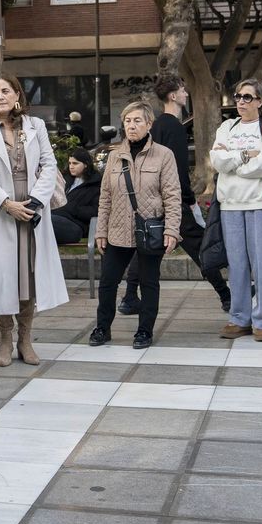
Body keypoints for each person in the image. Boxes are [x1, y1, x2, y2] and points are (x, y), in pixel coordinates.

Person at [0, 74, 70, 366]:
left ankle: (25, 339)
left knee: (30, 277)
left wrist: (35, 201)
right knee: (5, 276)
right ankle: (5, 338)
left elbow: (49, 163)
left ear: (17, 96)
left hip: (33, 209)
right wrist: (6, 204)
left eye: (5, 91)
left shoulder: (35, 126)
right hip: (1, 210)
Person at [88, 102, 181, 350]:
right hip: (117, 231)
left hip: (149, 231)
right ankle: (102, 328)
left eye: (137, 120)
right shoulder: (114, 156)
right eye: (128, 121)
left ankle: (144, 331)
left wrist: (171, 229)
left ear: (149, 124)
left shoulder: (164, 155)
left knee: (149, 283)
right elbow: (105, 196)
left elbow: (172, 195)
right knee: (108, 282)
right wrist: (101, 231)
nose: (132, 125)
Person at [212, 77, 262, 341]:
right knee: (237, 264)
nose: (240, 101)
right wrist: (246, 155)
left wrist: (233, 161)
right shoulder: (227, 126)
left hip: (260, 203)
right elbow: (217, 160)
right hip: (229, 204)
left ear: (260, 102)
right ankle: (239, 318)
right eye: (238, 96)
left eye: (247, 97)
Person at [149, 75, 230, 312]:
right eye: (183, 90)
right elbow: (178, 168)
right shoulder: (174, 126)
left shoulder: (156, 125)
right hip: (173, 200)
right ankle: (226, 295)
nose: (186, 94)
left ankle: (130, 296)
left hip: (155, 197)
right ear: (173, 96)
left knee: (148, 249)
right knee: (200, 246)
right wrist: (189, 199)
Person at [50, 146, 101, 246]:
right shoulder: (66, 180)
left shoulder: (96, 185)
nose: (71, 166)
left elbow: (96, 210)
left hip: (76, 226)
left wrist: (73, 209)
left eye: (75, 163)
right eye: (69, 163)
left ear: (86, 164)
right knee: (38, 219)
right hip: (56, 217)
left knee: (43, 221)